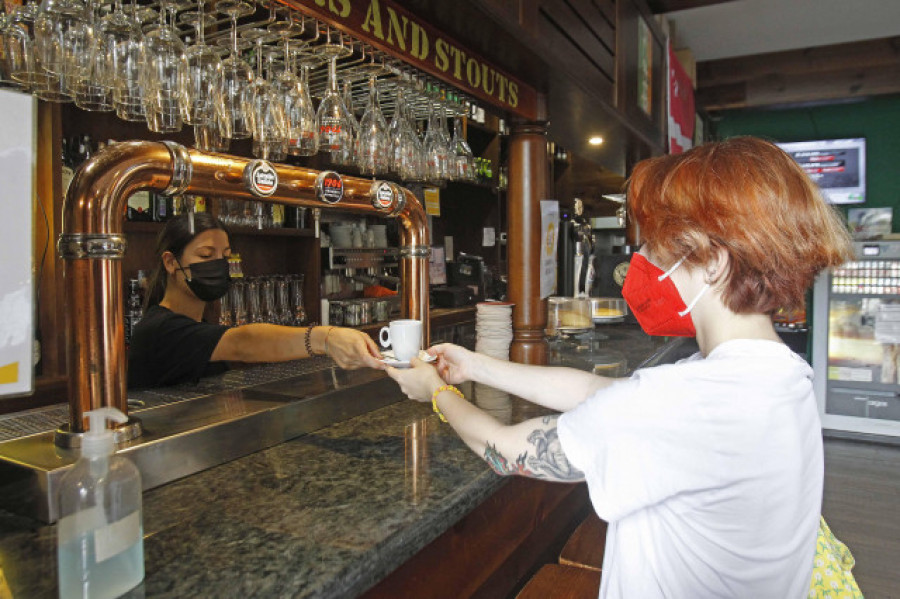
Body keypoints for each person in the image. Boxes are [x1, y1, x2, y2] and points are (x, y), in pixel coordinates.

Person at [386, 137, 853, 598]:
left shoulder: (689, 402)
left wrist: (435, 393)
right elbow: (597, 392)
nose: (642, 259)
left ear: (713, 262)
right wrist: (475, 366)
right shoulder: (778, 374)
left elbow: (509, 450)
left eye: (657, 244)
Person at [128, 212, 384, 389]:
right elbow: (242, 342)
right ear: (171, 263)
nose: (219, 265)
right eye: (206, 255)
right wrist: (325, 338)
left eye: (225, 256)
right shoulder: (159, 331)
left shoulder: (195, 323)